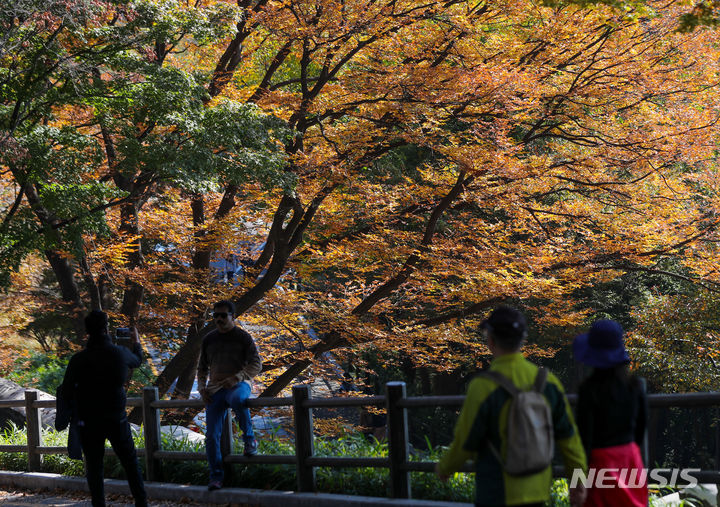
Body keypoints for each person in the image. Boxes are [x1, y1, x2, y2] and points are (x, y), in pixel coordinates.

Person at [435, 305, 587, 507]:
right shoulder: (548, 382)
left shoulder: (482, 387)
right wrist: (578, 481)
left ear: (490, 340)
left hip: (496, 492)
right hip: (538, 490)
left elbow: (466, 440)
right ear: (523, 339)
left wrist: (446, 467)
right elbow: (569, 438)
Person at [59, 311, 147, 507]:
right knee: (130, 463)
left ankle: (99, 504)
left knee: (94, 466)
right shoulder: (120, 354)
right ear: (107, 328)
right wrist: (137, 342)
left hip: (89, 421)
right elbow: (138, 360)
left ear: (87, 331)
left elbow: (65, 391)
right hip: (117, 419)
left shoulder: (79, 359)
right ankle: (141, 502)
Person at [573, 319, 648, 506]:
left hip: (600, 460)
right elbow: (641, 426)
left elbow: (584, 438)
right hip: (630, 456)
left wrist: (578, 479)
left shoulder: (589, 390)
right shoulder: (635, 386)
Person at [197, 299, 262, 491]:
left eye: (223, 315)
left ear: (232, 316)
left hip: (238, 384)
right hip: (215, 389)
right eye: (215, 315)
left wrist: (237, 377)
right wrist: (201, 388)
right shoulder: (209, 339)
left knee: (238, 400)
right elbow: (201, 368)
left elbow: (257, 364)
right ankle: (216, 477)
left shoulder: (243, 337)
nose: (218, 319)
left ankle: (249, 439)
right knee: (211, 436)